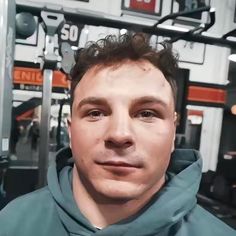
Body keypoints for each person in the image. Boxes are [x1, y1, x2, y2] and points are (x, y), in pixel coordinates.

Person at [0, 33, 235, 236]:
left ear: (173, 132)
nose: (120, 134)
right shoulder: (10, 225)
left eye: (146, 113)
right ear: (71, 131)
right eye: (95, 113)